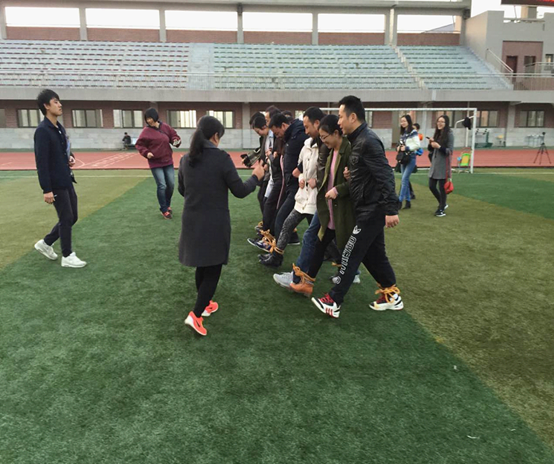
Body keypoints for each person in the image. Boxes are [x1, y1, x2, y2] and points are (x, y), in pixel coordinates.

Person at [311, 96, 402, 318]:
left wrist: (391, 210)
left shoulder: (368, 141)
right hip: (364, 208)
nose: (338, 121)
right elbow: (367, 174)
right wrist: (352, 176)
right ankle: (392, 295)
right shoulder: (358, 141)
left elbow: (385, 175)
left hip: (373, 209)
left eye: (341, 116)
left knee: (350, 253)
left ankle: (334, 300)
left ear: (353, 117)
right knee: (373, 255)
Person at [178, 116, 265, 336]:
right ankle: (196, 315)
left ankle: (205, 304)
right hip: (214, 221)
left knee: (202, 264)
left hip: (192, 220)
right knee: (213, 267)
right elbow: (240, 191)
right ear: (216, 136)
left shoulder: (186, 159)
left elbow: (182, 190)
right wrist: (256, 177)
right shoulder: (221, 158)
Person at [289, 114, 355, 295]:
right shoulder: (330, 150)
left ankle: (338, 293)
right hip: (329, 206)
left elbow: (358, 181)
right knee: (319, 241)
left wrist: (338, 189)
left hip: (342, 208)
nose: (323, 141)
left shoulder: (349, 150)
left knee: (354, 250)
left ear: (336, 133)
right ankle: (307, 282)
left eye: (325, 137)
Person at [259, 107, 324, 267]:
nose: (306, 131)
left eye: (307, 127)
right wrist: (300, 176)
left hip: (312, 194)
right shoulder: (306, 142)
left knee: (319, 234)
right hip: (302, 192)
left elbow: (327, 169)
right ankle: (277, 256)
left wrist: (315, 180)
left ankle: (338, 265)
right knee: (288, 223)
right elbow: (302, 163)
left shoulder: (307, 139)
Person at [33, 89, 86, 268]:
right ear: (46, 106)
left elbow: (64, 149)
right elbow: (41, 162)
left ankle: (46, 243)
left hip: (66, 179)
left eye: (59, 101)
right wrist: (46, 189)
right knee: (66, 217)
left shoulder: (59, 128)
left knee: (73, 216)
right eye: (55, 102)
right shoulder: (42, 131)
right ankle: (67, 255)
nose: (60, 105)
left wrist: (70, 157)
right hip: (55, 182)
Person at [135, 108, 181, 219]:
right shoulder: (146, 131)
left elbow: (174, 136)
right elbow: (139, 144)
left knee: (171, 184)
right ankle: (164, 209)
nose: (149, 121)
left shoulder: (165, 127)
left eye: (150, 118)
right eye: (147, 119)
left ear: (155, 117)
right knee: (162, 185)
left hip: (167, 160)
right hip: (155, 163)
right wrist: (146, 153)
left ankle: (167, 205)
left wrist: (176, 141)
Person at [428, 115, 454, 217]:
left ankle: (441, 209)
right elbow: (431, 149)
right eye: (438, 121)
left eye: (442, 122)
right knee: (431, 185)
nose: (440, 123)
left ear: (446, 123)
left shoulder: (449, 134)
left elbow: (449, 151)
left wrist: (439, 147)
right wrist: (431, 143)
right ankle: (442, 203)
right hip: (435, 163)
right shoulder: (437, 133)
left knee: (442, 188)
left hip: (443, 164)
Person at [397, 114, 421, 210]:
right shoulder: (403, 133)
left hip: (411, 157)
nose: (402, 123)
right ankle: (408, 201)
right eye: (401, 121)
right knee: (405, 180)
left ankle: (399, 201)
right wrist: (398, 148)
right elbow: (401, 144)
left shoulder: (413, 132)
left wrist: (406, 148)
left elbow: (417, 145)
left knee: (404, 179)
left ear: (408, 122)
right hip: (403, 158)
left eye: (404, 121)